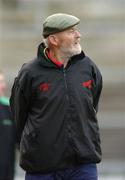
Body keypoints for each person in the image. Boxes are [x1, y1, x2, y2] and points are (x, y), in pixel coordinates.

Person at [10, 13, 103, 180]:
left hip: (83, 165)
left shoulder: (88, 67)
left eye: (77, 30)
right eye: (71, 31)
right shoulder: (30, 73)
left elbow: (92, 106)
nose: (78, 35)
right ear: (54, 40)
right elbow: (19, 116)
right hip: (42, 167)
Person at [0, 70, 16, 180]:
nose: (3, 86)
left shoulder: (9, 108)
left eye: (3, 82)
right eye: (0, 82)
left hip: (7, 171)